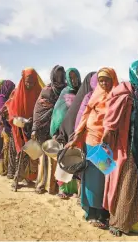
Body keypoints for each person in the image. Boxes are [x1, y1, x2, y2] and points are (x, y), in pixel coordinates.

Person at [101, 60, 138, 237]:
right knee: (127, 182)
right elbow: (112, 115)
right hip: (129, 144)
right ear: (134, 72)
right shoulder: (126, 91)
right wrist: (106, 134)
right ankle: (118, 222)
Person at [66, 67, 118, 228]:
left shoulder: (116, 96)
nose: (103, 83)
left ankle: (103, 212)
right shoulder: (94, 96)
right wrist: (76, 136)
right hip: (93, 141)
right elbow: (85, 116)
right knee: (94, 180)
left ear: (113, 79)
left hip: (109, 143)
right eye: (101, 80)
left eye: (107, 79)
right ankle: (92, 214)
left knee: (106, 178)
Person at [5, 68, 45, 185]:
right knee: (19, 153)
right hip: (19, 127)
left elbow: (40, 109)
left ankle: (28, 177)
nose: (29, 84)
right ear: (23, 80)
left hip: (32, 126)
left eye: (32, 82)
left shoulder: (39, 92)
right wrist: (16, 119)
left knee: (31, 153)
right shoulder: (17, 92)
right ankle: (17, 178)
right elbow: (11, 109)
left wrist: (34, 121)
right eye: (27, 82)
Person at [32, 65, 66, 194]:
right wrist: (35, 127)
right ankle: (41, 184)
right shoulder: (47, 90)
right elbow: (38, 110)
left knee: (57, 158)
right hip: (44, 128)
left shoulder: (67, 90)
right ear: (52, 75)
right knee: (44, 158)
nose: (60, 77)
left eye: (62, 74)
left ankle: (55, 186)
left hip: (59, 129)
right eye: (57, 74)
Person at [49, 68, 81, 198]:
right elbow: (57, 113)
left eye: (75, 77)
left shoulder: (82, 92)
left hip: (77, 133)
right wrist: (55, 132)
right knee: (63, 160)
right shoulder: (64, 93)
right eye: (71, 78)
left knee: (76, 160)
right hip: (64, 133)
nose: (73, 80)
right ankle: (62, 188)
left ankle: (74, 190)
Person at [0, 80, 16, 176]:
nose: (12, 89)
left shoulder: (7, 97)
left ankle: (8, 169)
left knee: (8, 148)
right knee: (6, 148)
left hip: (8, 125)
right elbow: (3, 111)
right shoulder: (1, 97)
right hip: (5, 126)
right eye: (11, 88)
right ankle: (6, 169)